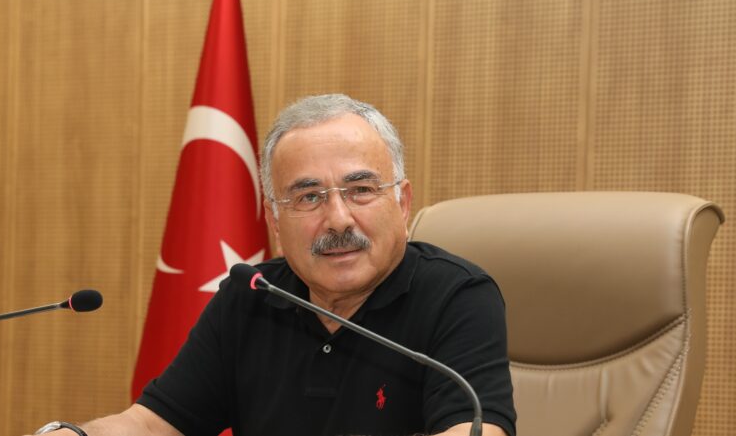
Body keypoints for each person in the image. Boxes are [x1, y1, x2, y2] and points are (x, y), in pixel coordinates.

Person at [30, 94, 515, 436]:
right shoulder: (254, 295)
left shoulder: (456, 295)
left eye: (361, 190)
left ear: (403, 203)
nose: (338, 218)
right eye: (309, 197)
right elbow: (155, 423)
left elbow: (475, 431)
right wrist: (75, 434)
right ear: (275, 220)